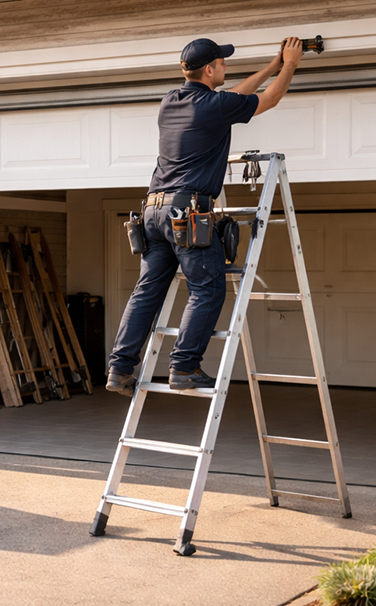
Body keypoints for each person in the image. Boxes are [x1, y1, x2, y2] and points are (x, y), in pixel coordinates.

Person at [106, 36, 304, 395]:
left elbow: (233, 99)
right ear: (209, 69)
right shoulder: (214, 106)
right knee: (208, 288)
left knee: (146, 292)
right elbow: (268, 100)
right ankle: (183, 367)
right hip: (186, 212)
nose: (227, 67)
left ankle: (119, 369)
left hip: (153, 211)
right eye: (223, 63)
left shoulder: (171, 101)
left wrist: (270, 67)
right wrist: (291, 63)